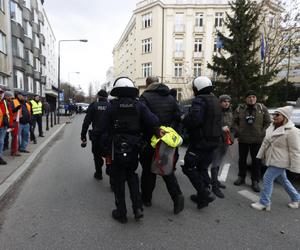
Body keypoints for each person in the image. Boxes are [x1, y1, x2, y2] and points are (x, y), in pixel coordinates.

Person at [105, 77, 159, 223]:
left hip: (116, 148)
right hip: (134, 148)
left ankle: (121, 213)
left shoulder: (111, 106)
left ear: (117, 91)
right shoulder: (139, 105)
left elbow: (105, 129)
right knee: (132, 176)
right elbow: (154, 121)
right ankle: (138, 208)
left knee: (118, 180)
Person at [139, 76, 184, 215]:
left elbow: (142, 119)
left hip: (150, 140)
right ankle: (177, 197)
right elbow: (179, 116)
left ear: (147, 85)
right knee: (166, 169)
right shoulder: (170, 97)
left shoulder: (145, 97)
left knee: (148, 170)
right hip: (167, 140)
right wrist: (170, 131)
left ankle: (146, 199)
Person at [181, 76, 222, 209]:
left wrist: (184, 118)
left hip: (200, 142)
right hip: (213, 141)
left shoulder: (200, 100)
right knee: (202, 168)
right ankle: (202, 199)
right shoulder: (216, 100)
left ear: (197, 88)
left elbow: (195, 120)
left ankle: (205, 193)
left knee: (188, 167)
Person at [251, 106, 300, 211]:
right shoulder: (271, 127)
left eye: (277, 114)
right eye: (274, 114)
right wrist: (260, 156)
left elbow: (295, 150)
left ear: (285, 116)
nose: (274, 116)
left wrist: (295, 168)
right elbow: (265, 143)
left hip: (281, 161)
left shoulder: (292, 131)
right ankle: (296, 198)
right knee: (283, 180)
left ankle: (264, 202)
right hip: (272, 158)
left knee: (267, 178)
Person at [233, 90, 271, 192]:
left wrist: (262, 132)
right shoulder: (240, 109)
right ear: (246, 99)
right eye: (249, 97)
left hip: (257, 140)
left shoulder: (262, 108)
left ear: (256, 98)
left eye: (253, 97)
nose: (251, 99)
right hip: (243, 139)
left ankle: (255, 181)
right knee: (242, 160)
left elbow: (268, 122)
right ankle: (241, 177)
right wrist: (239, 131)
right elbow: (234, 122)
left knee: (256, 161)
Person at [81, 90, 110, 180]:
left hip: (96, 135)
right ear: (106, 97)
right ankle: (112, 179)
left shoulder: (93, 106)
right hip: (108, 136)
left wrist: (83, 135)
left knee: (97, 154)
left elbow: (86, 122)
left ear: (98, 96)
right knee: (109, 155)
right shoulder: (111, 106)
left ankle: (98, 173)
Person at [210, 94, 234, 198]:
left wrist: (231, 136)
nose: (226, 103)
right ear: (220, 102)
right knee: (215, 162)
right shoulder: (215, 112)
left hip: (225, 141)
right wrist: (221, 128)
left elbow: (232, 126)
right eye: (224, 101)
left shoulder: (230, 112)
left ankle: (215, 181)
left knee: (220, 161)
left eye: (228, 101)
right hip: (216, 141)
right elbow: (210, 125)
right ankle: (214, 186)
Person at [0, 88, 10, 164]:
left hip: (3, 126)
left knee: (1, 142)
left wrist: (9, 123)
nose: (0, 94)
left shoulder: (4, 102)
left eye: (1, 93)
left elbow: (7, 113)